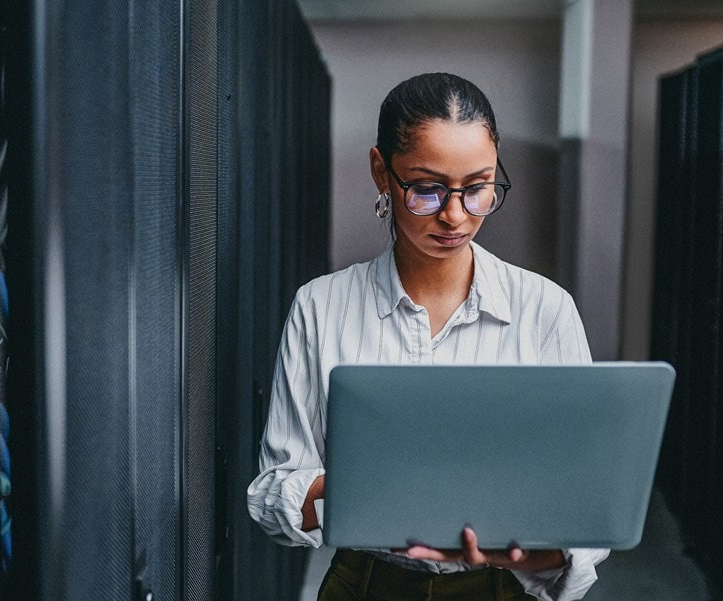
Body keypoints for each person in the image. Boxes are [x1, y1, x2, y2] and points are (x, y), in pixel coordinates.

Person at [245, 73, 610, 601]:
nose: (455, 215)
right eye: (427, 189)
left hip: (500, 586)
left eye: (478, 187)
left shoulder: (545, 310)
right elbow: (274, 493)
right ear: (381, 172)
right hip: (365, 585)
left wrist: (532, 551)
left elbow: (589, 500)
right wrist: (372, 493)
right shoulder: (321, 307)